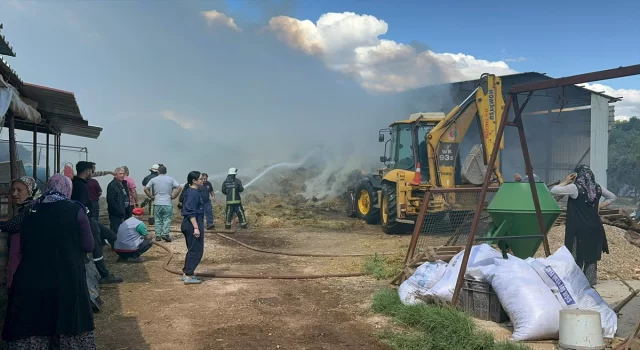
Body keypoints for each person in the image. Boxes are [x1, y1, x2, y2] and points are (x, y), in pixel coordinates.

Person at [2, 174, 97, 349]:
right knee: (67, 323)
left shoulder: (31, 210)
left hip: (33, 278)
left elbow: (24, 244)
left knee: (36, 323)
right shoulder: (76, 210)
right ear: (68, 189)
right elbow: (88, 245)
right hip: (67, 277)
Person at [550, 165, 617, 287]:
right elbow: (612, 197)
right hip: (595, 228)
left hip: (578, 230)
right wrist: (598, 207)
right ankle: (588, 286)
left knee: (577, 257)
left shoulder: (574, 188)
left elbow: (553, 191)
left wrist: (566, 181)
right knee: (591, 258)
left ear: (577, 175)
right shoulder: (597, 188)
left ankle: (576, 285)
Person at [72, 161, 123, 284]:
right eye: (92, 170)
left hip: (90, 219)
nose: (93, 173)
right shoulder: (81, 186)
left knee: (111, 236)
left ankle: (95, 246)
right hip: (88, 219)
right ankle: (104, 275)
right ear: (87, 171)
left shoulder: (77, 183)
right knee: (98, 249)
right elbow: (81, 205)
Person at [0, 176, 38, 289]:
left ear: (30, 191)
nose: (14, 193)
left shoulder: (31, 209)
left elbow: (13, 225)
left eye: (19, 190)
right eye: (13, 190)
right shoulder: (24, 208)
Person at [144, 165, 181, 242]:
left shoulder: (154, 179)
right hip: (167, 202)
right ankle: (165, 234)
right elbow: (179, 187)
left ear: (158, 171)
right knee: (167, 219)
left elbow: (145, 188)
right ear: (166, 171)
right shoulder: (171, 179)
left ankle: (158, 235)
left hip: (157, 202)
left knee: (158, 219)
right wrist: (174, 196)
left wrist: (151, 196)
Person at [181, 171, 205, 284]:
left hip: (189, 223)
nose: (202, 180)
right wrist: (196, 228)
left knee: (192, 249)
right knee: (196, 250)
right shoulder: (192, 193)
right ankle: (189, 276)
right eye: (200, 179)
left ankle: (186, 272)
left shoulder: (191, 192)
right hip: (192, 224)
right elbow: (190, 212)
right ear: (194, 181)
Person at [107, 167, 129, 233]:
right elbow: (111, 200)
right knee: (116, 230)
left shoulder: (123, 184)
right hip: (116, 213)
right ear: (115, 175)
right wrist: (119, 211)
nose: (122, 175)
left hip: (124, 211)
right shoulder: (112, 185)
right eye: (120, 174)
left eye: (123, 174)